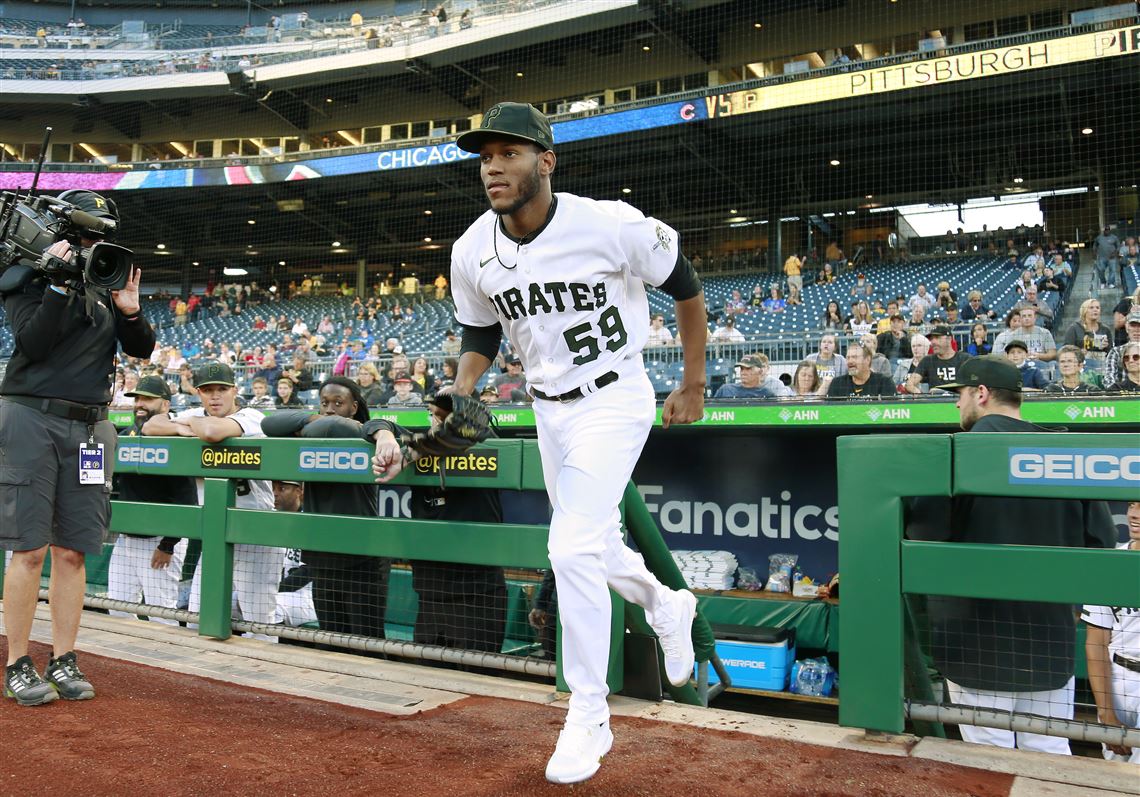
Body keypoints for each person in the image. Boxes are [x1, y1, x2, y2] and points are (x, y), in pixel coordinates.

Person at [434, 101, 703, 784]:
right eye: (485, 155)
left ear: (545, 161)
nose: (493, 165)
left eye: (509, 152)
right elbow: (481, 335)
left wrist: (693, 380)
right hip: (548, 408)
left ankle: (589, 709)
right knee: (597, 545)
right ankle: (666, 602)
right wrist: (464, 390)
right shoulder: (471, 250)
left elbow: (686, 283)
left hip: (615, 395)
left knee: (568, 545)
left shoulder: (608, 223)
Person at [907, 356, 1117, 754]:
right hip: (1049, 640)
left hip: (975, 643)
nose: (956, 404)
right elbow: (1102, 544)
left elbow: (922, 536)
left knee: (988, 762)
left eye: (961, 394)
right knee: (1050, 757)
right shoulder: (1066, 451)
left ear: (981, 394)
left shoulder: (956, 452)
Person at [1, 190, 154, 705]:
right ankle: (18, 662)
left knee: (73, 551)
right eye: (85, 236)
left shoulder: (108, 281)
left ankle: (64, 658)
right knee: (29, 550)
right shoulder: (25, 275)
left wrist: (129, 312)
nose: (93, 246)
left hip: (91, 427)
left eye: (99, 237)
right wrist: (60, 286)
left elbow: (142, 348)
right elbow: (33, 343)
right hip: (31, 417)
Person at [142, 363, 286, 642]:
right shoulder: (195, 414)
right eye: (208, 391)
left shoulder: (252, 415)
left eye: (221, 389)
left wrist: (187, 425)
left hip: (257, 533)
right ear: (198, 393)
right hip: (217, 534)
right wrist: (185, 427)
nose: (215, 396)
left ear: (234, 390)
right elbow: (150, 425)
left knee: (260, 623)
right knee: (199, 616)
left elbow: (211, 433)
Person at [365, 398, 507, 652]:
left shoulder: (482, 442)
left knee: (475, 681)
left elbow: (471, 430)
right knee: (428, 677)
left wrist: (413, 449)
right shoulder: (417, 449)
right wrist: (385, 436)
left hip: (476, 596)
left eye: (446, 416)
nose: (438, 421)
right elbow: (373, 422)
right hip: (429, 594)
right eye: (433, 415)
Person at [261, 378, 390, 639]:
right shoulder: (314, 432)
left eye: (338, 403)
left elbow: (334, 426)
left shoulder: (364, 433)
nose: (329, 409)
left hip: (362, 558)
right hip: (323, 556)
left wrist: (318, 423)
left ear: (354, 407)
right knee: (331, 637)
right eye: (324, 403)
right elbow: (268, 423)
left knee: (366, 641)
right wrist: (311, 420)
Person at [108, 376, 197, 625]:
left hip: (160, 540)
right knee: (117, 608)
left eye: (147, 398)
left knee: (162, 614)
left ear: (166, 405)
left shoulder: (175, 440)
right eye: (137, 398)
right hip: (127, 538)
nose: (139, 403)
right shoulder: (125, 435)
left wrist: (168, 544)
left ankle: (165, 662)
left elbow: (186, 499)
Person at [1082, 501, 1140, 764]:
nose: (1134, 515)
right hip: (1117, 679)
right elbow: (1096, 643)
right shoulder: (1112, 562)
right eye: (1131, 505)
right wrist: (1106, 715)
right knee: (1113, 777)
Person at [904, 325, 971, 394]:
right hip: (936, 402)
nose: (933, 342)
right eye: (932, 339)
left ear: (949, 339)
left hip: (959, 401)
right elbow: (909, 384)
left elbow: (975, 385)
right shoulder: (927, 360)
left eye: (937, 338)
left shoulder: (965, 359)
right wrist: (922, 396)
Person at [1063, 298, 1112, 376]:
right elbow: (1066, 350)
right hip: (1080, 365)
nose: (1095, 310)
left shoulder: (1106, 329)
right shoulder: (1074, 328)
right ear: (1084, 311)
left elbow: (1110, 353)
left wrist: (1106, 346)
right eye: (1091, 307)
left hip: (1101, 366)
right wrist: (1079, 352)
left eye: (1097, 308)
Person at [827, 343, 896, 398]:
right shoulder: (837, 384)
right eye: (848, 358)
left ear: (868, 359)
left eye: (855, 357)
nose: (850, 361)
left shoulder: (885, 383)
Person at [1106, 311, 1140, 385]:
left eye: (1139, 325)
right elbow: (1109, 379)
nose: (1137, 329)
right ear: (1127, 327)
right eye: (1133, 325)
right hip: (1122, 394)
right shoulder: (1116, 352)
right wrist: (1119, 393)